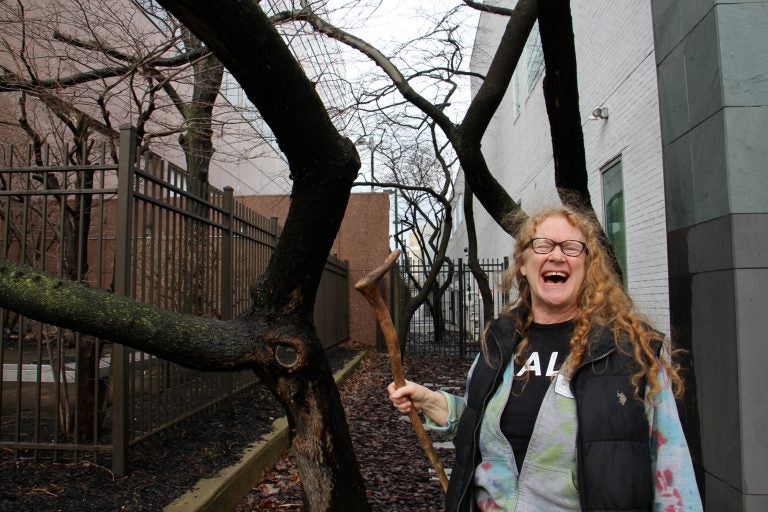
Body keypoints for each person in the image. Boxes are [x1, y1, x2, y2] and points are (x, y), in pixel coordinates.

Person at [388, 206, 702, 512]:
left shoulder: (630, 353)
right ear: (522, 263)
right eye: (543, 245)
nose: (556, 255)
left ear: (588, 265)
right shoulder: (499, 344)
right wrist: (431, 402)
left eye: (572, 247)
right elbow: (477, 423)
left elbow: (671, 470)